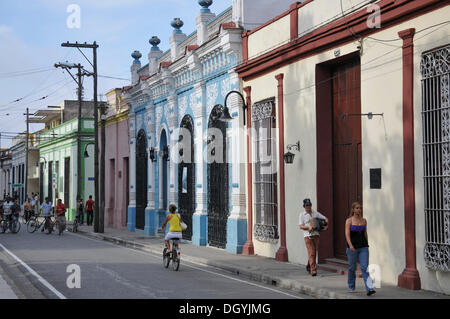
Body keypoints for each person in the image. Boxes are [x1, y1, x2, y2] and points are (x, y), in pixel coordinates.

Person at [345, 202, 376, 296]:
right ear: (353, 209)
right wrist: (350, 245)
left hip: (363, 247)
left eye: (360, 208)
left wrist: (367, 243)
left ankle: (370, 288)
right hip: (352, 248)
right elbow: (347, 234)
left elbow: (365, 233)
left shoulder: (364, 220)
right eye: (357, 208)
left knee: (365, 267)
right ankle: (351, 286)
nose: (359, 210)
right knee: (352, 268)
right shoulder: (349, 221)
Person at [299, 198, 328, 276]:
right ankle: (313, 270)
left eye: (309, 205)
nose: (308, 207)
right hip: (308, 235)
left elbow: (325, 218)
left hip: (316, 234)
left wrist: (325, 226)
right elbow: (301, 226)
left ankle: (309, 265)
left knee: (314, 252)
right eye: (306, 205)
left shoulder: (315, 213)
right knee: (312, 252)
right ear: (304, 206)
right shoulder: (302, 215)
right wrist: (308, 227)